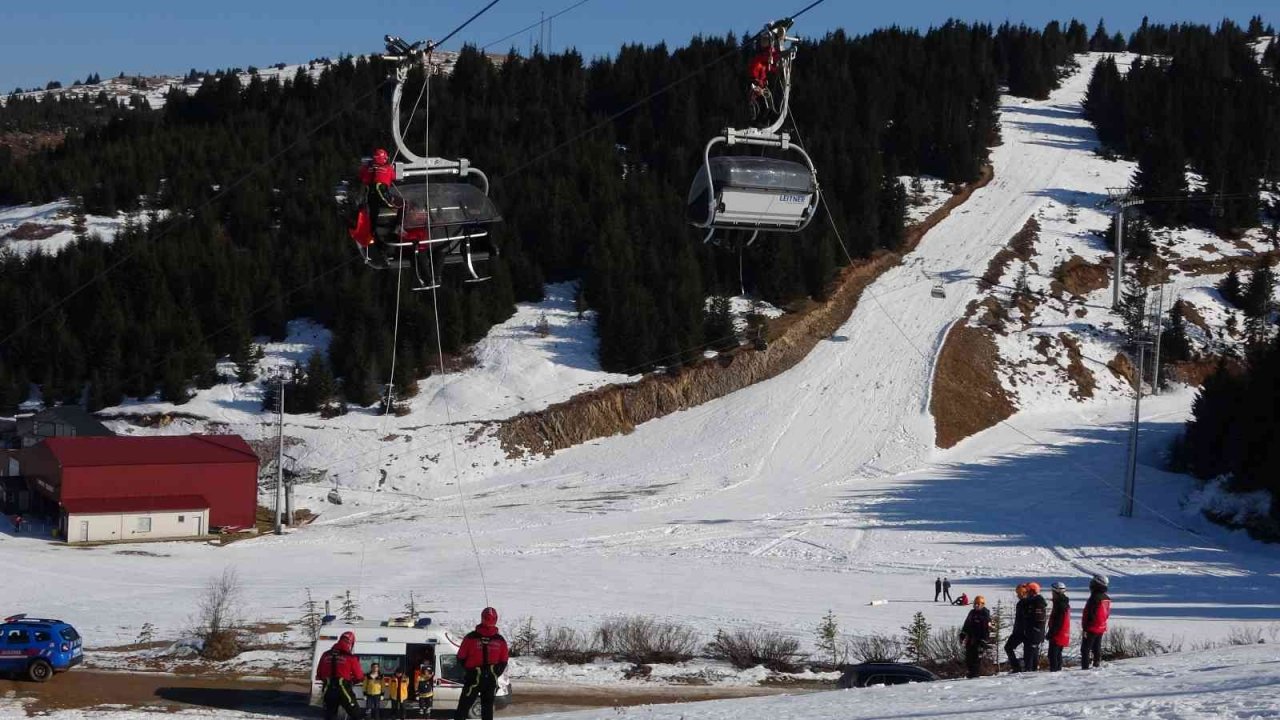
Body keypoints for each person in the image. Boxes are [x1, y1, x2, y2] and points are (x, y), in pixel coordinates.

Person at [454, 607, 510, 720]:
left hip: (473, 679)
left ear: (482, 618)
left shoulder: (470, 638)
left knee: (463, 708)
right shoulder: (500, 640)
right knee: (487, 710)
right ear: (496, 619)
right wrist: (494, 673)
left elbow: (460, 657)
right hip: (490, 679)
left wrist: (470, 671)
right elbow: (504, 661)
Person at [349, 147, 398, 249]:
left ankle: (373, 238)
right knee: (398, 207)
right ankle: (395, 229)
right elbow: (394, 177)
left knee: (373, 216)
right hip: (382, 193)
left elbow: (362, 177)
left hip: (370, 195)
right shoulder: (388, 168)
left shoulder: (368, 168)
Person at [315, 630, 365, 720]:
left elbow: (319, 674)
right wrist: (352, 680)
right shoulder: (350, 657)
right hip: (343, 688)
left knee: (329, 715)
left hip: (329, 688)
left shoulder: (325, 655)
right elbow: (359, 676)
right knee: (356, 714)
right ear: (350, 643)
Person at [1081, 574, 1111, 670]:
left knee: (1085, 649)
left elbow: (1090, 614)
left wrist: (1086, 627)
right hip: (1101, 626)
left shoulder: (1094, 597)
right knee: (1096, 647)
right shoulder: (1106, 597)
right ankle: (1096, 664)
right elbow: (1107, 613)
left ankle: (1085, 669)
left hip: (1092, 627)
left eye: (1092, 582)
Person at [959, 595, 991, 679]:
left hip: (980, 639)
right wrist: (962, 634)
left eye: (978, 604)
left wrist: (984, 640)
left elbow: (986, 628)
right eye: (975, 604)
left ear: (982, 604)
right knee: (969, 657)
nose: (976, 606)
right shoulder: (972, 613)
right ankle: (971, 673)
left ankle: (975, 675)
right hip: (971, 638)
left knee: (976, 658)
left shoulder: (985, 613)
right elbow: (966, 624)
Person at [1021, 582, 1048, 672]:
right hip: (1031, 632)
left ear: (1032, 591)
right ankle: (1031, 669)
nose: (1026, 593)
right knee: (1030, 652)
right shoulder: (1032, 601)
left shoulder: (1038, 602)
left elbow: (1038, 619)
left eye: (1028, 591)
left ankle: (1031, 670)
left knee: (1031, 653)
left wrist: (1035, 630)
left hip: (1035, 632)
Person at [1047, 582, 1071, 672]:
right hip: (1062, 633)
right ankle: (1058, 672)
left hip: (1058, 634)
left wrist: (1051, 633)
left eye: (1052, 591)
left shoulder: (1060, 605)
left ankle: (1055, 673)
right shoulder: (1063, 603)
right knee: (1057, 654)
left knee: (1053, 655)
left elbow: (1058, 622)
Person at [1005, 583, 1028, 673]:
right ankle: (1017, 667)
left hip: (1022, 632)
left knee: (1009, 648)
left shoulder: (1026, 603)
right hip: (1018, 631)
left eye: (1019, 593)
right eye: (1017, 593)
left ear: (1023, 593)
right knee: (1008, 648)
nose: (1017, 595)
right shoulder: (1020, 603)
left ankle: (1018, 668)